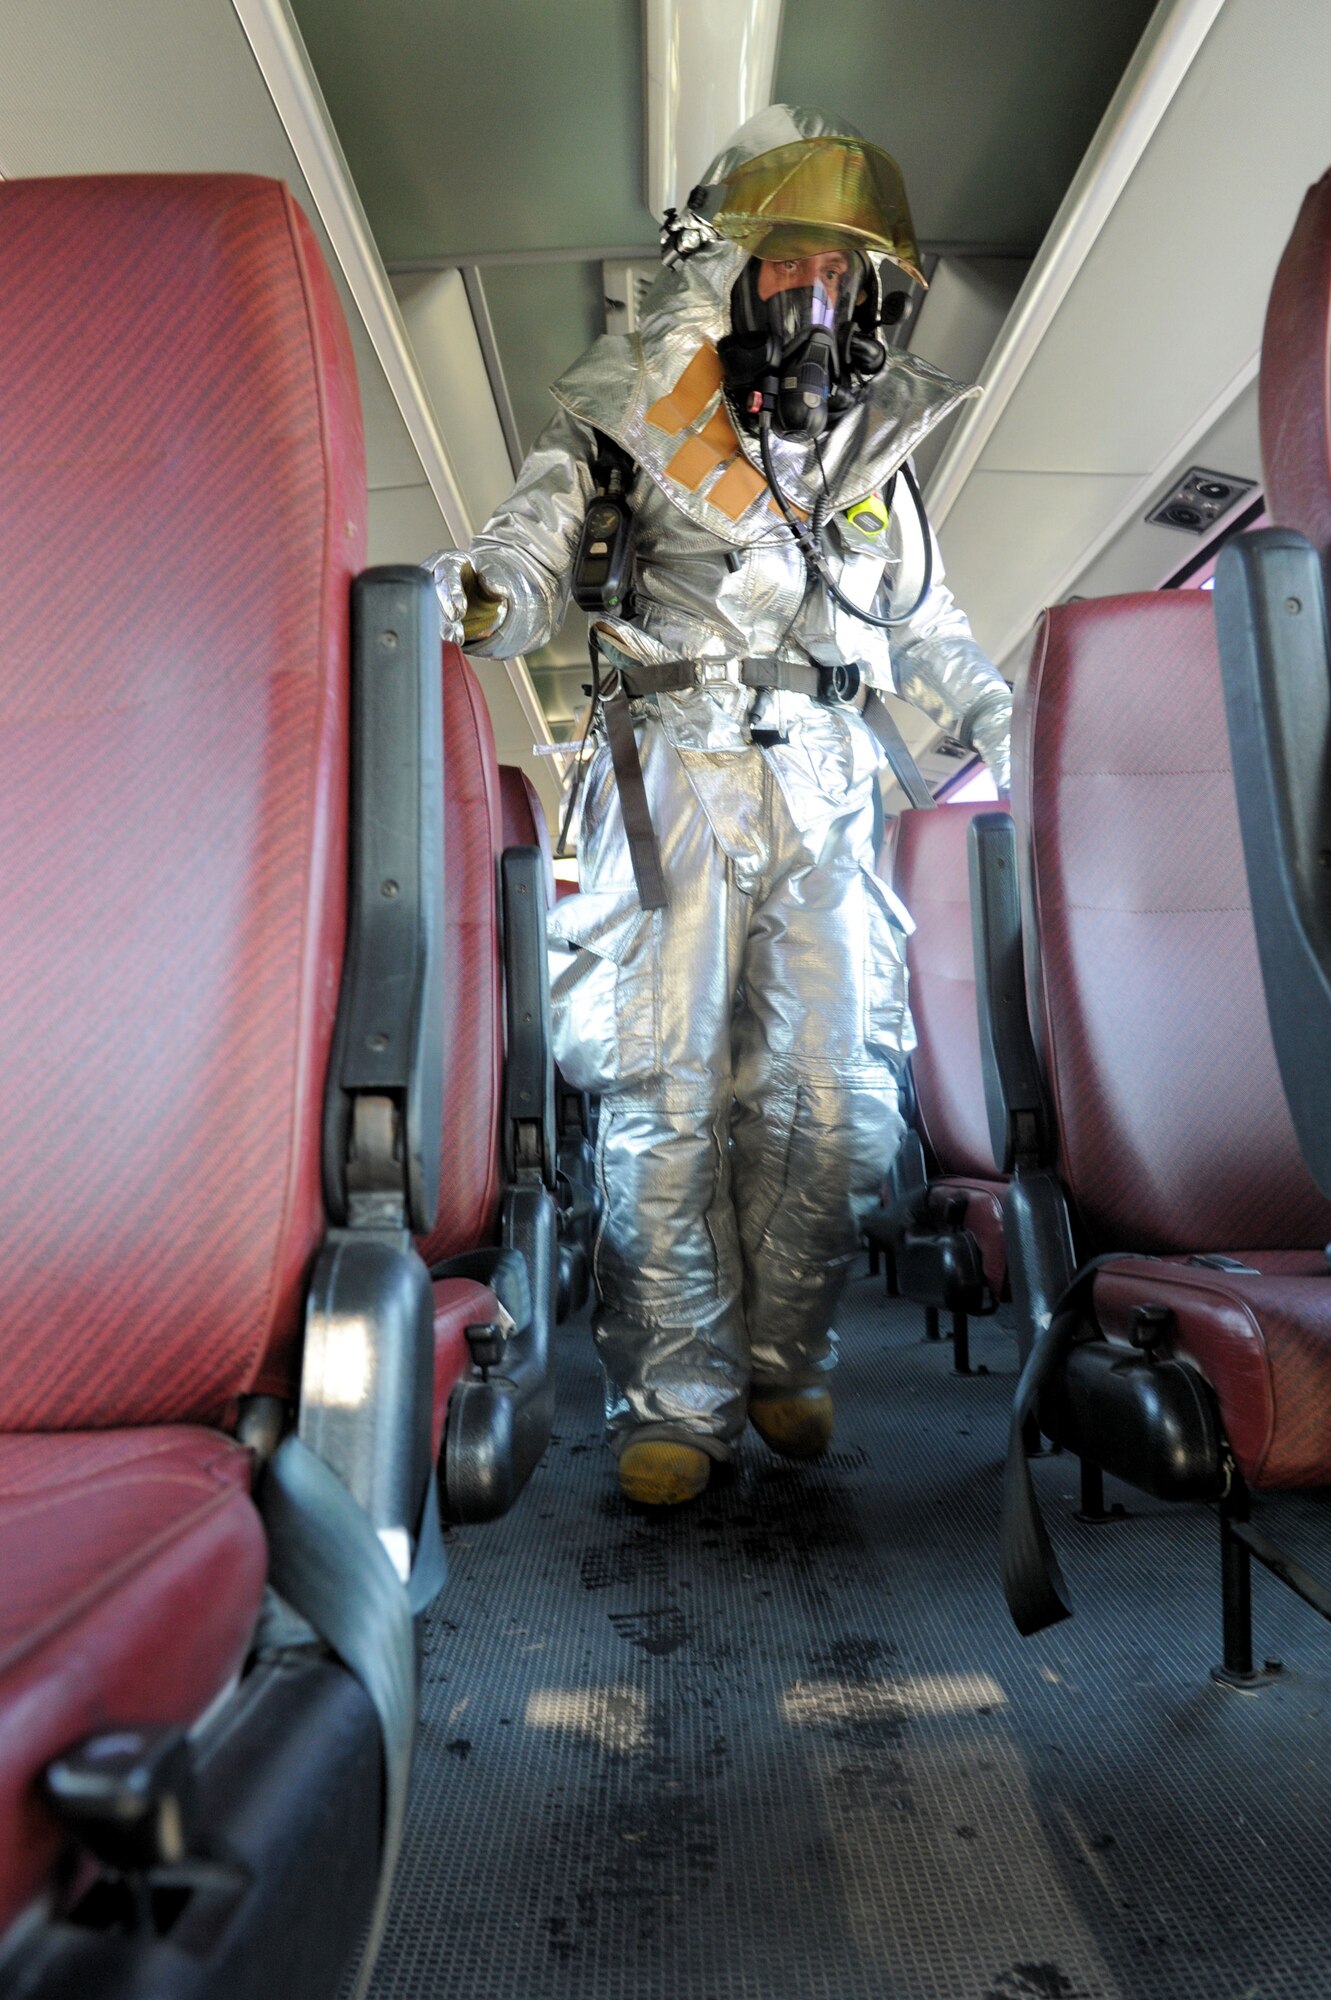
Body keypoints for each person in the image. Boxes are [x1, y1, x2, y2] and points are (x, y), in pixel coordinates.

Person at [430, 104, 1011, 1507]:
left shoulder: (878, 459)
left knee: (830, 1096)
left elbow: (927, 622)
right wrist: (487, 593)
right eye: (788, 271)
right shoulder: (633, 409)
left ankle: (784, 1359)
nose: (814, 304)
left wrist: (1006, 719)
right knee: (664, 1092)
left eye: (835, 278)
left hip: (825, 777)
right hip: (667, 774)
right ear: (727, 274)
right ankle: (675, 1399)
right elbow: (532, 523)